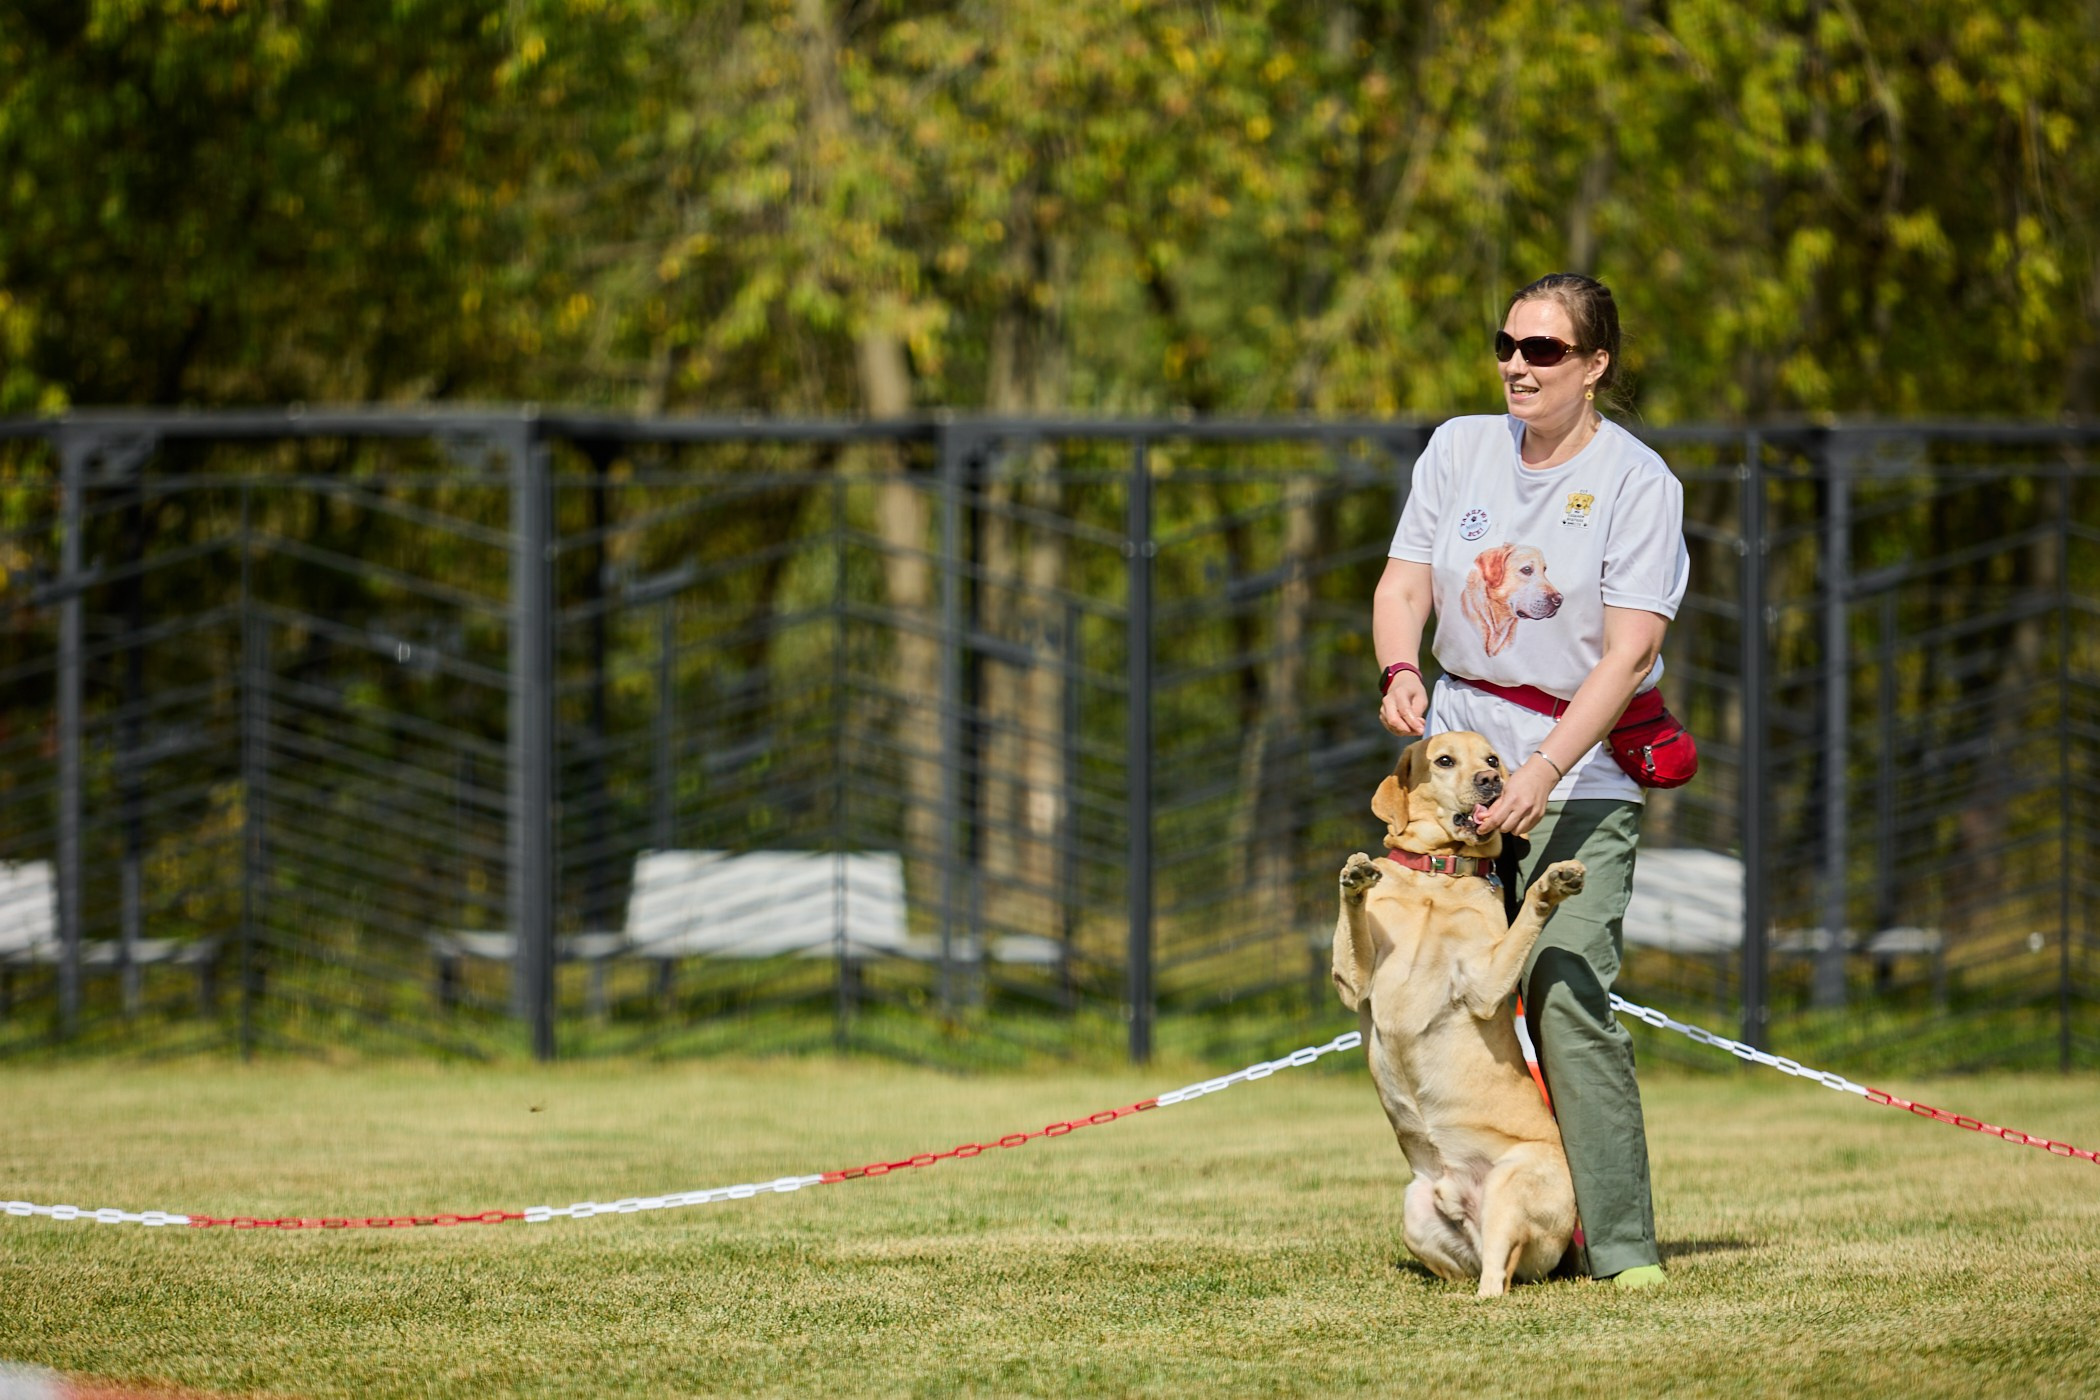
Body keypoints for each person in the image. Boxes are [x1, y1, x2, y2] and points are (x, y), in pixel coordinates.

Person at [1371, 272, 1686, 1290]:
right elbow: (1405, 581)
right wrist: (1402, 667)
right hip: (1460, 766)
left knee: (1559, 984)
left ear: (1595, 366)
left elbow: (1629, 652)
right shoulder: (1458, 447)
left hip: (1579, 769)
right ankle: (1482, 1211)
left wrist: (1543, 773)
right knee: (1431, 983)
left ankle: (1622, 1244)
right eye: (1506, 342)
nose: (1516, 363)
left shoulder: (1641, 483)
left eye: (1544, 350)